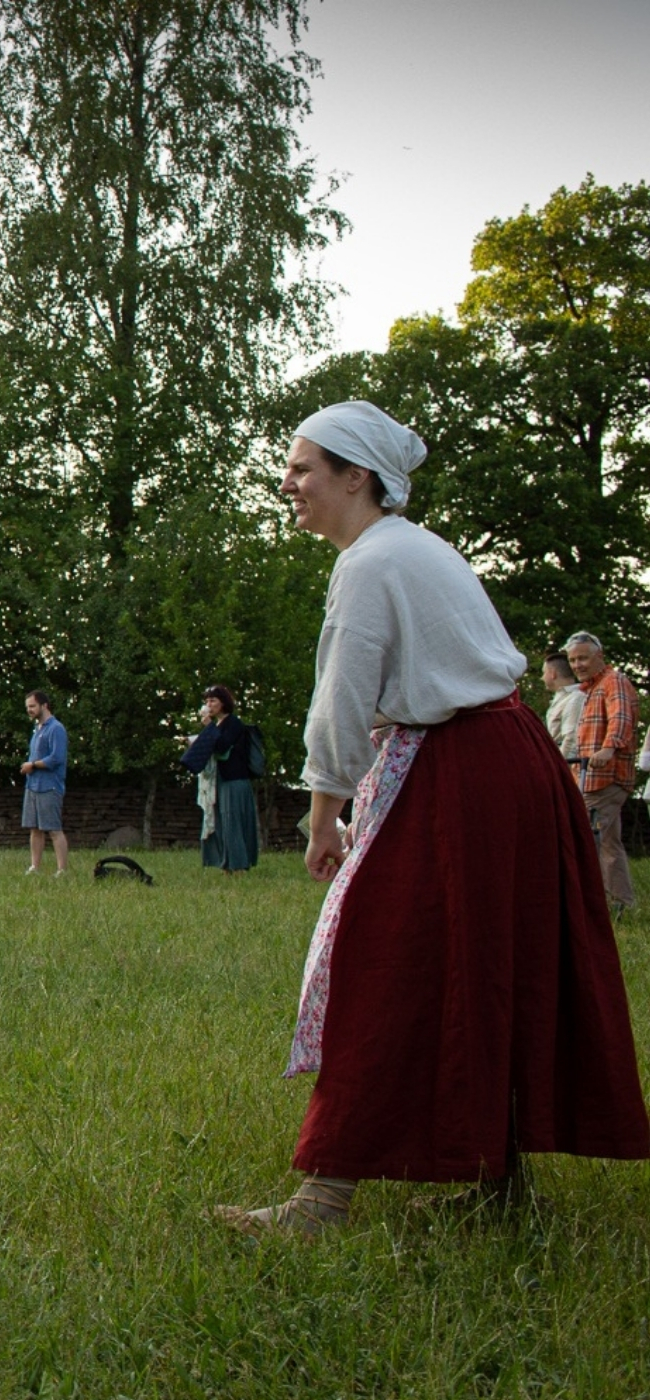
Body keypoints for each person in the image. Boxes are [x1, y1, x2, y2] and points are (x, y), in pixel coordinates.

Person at [216, 399, 648, 1236]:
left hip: (465, 776)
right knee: (488, 960)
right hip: (501, 763)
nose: (287, 482)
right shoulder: (412, 549)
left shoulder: (374, 561)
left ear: (358, 477)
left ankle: (323, 1200)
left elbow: (340, 702)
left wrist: (322, 822)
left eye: (304, 468)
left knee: (389, 961)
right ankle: (497, 1183)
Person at [564, 632, 639, 915]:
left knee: (584, 840)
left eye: (583, 657)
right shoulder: (590, 690)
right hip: (591, 778)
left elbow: (621, 717)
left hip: (605, 777)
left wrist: (609, 749)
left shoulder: (613, 682)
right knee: (609, 843)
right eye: (573, 660)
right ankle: (622, 904)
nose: (578, 664)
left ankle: (585, 909)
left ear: (600, 655)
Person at [180, 684, 259, 873]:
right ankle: (226, 864)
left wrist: (208, 727)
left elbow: (223, 746)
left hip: (235, 780)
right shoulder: (219, 724)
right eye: (207, 701)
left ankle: (239, 865)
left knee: (233, 822)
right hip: (221, 779)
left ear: (223, 703)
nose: (209, 704)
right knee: (221, 822)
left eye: (213, 700)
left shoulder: (234, 723)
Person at [21, 691, 69, 874]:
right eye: (27, 707)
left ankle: (62, 870)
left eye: (32, 706)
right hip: (32, 785)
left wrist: (32, 765)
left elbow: (56, 758)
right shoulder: (37, 729)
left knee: (54, 830)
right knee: (34, 829)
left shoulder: (56, 728)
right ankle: (35, 866)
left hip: (49, 786)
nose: (29, 710)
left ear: (44, 705)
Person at [540, 651, 585, 762]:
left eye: (544, 673)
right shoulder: (561, 699)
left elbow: (571, 739)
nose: (542, 678)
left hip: (564, 764)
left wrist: (560, 770)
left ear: (552, 673)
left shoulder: (575, 698)